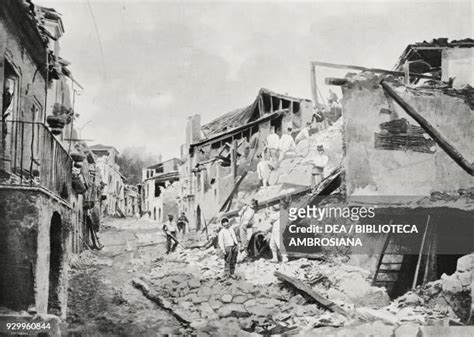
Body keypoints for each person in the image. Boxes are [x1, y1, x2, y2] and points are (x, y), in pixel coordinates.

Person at [269, 198, 289, 263]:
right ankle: (275, 258)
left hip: (278, 229)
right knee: (272, 244)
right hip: (275, 229)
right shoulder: (281, 212)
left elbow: (271, 218)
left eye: (281, 205)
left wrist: (270, 213)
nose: (280, 206)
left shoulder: (283, 212)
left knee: (279, 243)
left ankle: (284, 257)